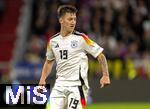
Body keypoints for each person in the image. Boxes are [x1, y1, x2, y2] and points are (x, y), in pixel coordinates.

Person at [38, 5, 110, 109]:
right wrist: (42, 79)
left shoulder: (81, 39)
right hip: (59, 85)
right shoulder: (53, 41)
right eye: (70, 19)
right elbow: (49, 62)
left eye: (75, 19)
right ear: (61, 20)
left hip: (77, 86)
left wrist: (105, 75)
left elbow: (100, 55)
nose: (73, 22)